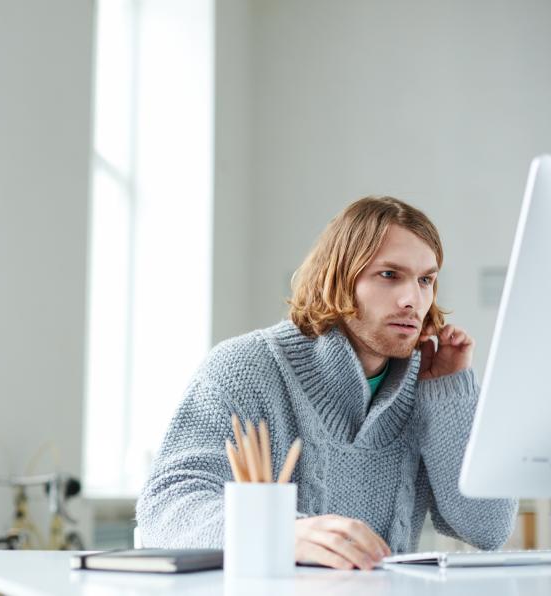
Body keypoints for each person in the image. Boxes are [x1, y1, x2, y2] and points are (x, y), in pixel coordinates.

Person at [135, 196, 517, 571]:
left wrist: (450, 393)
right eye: (389, 275)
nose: (412, 300)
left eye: (426, 280)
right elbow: (165, 507)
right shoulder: (244, 366)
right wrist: (282, 534)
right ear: (337, 277)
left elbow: (488, 529)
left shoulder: (430, 382)